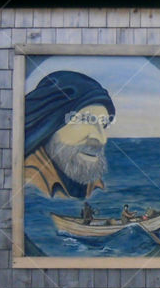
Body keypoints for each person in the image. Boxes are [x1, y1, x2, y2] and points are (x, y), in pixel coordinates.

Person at [23, 71, 116, 200]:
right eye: (84, 120)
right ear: (48, 127)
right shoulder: (28, 188)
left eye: (103, 124)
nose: (102, 139)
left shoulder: (93, 186)